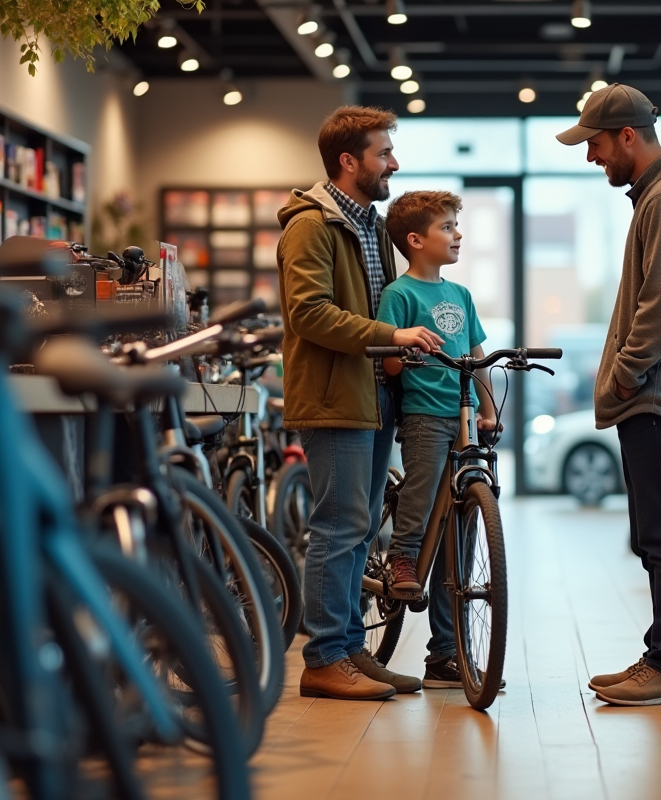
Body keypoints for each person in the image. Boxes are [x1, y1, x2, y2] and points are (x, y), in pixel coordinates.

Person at [556, 84, 661, 706]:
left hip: (660, 395)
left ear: (629, 135)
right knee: (658, 532)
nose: (591, 157)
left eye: (595, 144)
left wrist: (628, 375)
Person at [277, 105, 444, 701]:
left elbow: (384, 303)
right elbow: (309, 312)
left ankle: (350, 649)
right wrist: (390, 337)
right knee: (337, 527)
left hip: (374, 394)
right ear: (349, 161)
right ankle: (323, 658)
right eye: (383, 153)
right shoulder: (311, 226)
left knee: (360, 529)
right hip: (333, 397)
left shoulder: (371, 224)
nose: (393, 163)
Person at [375, 190, 500, 688]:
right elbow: (386, 360)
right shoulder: (399, 295)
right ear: (415, 239)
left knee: (459, 542)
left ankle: (445, 655)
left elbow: (478, 354)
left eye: (456, 226)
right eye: (447, 227)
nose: (458, 234)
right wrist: (406, 351)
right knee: (423, 493)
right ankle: (403, 555)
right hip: (425, 415)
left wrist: (489, 410)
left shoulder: (461, 295)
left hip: (465, 418)